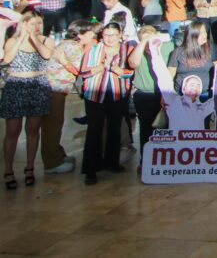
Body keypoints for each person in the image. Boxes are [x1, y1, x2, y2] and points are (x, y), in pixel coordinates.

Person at [2, 11, 54, 189]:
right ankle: (8, 170)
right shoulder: (12, 41)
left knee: (33, 129)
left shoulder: (47, 40)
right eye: (32, 24)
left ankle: (30, 167)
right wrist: (20, 38)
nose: (36, 27)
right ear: (23, 24)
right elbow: (7, 59)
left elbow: (46, 55)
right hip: (16, 85)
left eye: (39, 23)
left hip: (37, 85)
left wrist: (34, 38)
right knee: (12, 130)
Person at [78, 21, 132, 185]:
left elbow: (131, 71)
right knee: (94, 129)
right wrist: (103, 66)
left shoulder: (126, 50)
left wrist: (119, 71)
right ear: (102, 35)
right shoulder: (93, 49)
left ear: (120, 35)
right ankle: (91, 169)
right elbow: (84, 72)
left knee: (114, 127)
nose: (110, 39)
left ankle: (111, 162)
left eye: (113, 35)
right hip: (95, 94)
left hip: (117, 93)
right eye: (107, 35)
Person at [41, 19, 94, 175]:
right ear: (80, 34)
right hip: (54, 89)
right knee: (53, 125)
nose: (92, 35)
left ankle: (57, 154)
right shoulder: (74, 47)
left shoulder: (67, 44)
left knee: (54, 124)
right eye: (90, 32)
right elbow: (80, 70)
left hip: (56, 88)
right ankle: (51, 162)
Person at [128, 25, 175, 153]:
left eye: (151, 40)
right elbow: (133, 63)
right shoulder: (138, 51)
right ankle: (145, 159)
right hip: (145, 95)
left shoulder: (169, 47)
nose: (149, 45)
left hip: (165, 94)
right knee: (146, 128)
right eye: (145, 41)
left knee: (167, 128)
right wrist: (143, 42)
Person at [167, 20, 217, 96]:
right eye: (200, 33)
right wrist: (167, 94)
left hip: (205, 94)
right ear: (192, 35)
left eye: (204, 32)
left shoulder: (212, 48)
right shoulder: (178, 52)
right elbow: (169, 75)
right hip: (181, 95)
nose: (204, 35)